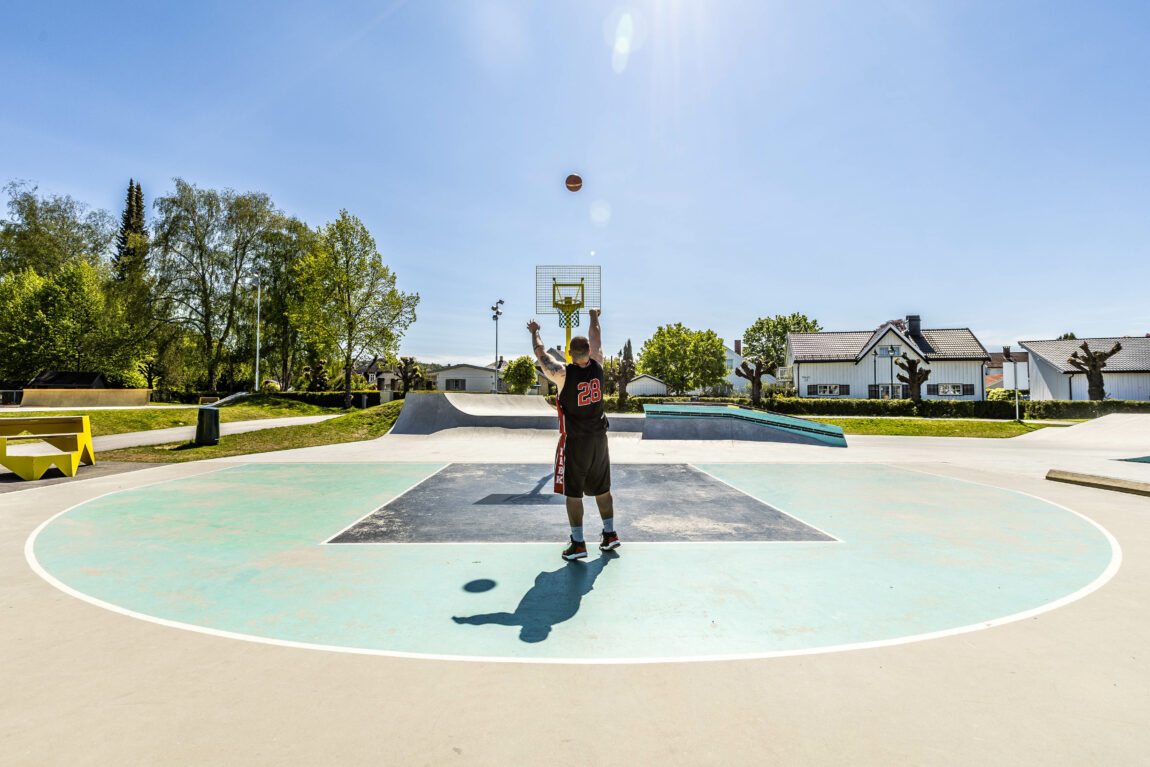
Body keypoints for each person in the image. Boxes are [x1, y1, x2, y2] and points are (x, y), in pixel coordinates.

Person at [527, 308, 619, 560]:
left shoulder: (562, 373)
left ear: (569, 353)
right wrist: (593, 316)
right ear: (589, 352)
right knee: (603, 489)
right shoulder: (599, 365)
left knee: (573, 493)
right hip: (600, 439)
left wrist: (535, 332)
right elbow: (597, 335)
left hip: (575, 442)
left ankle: (578, 543)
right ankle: (610, 535)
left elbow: (540, 353)